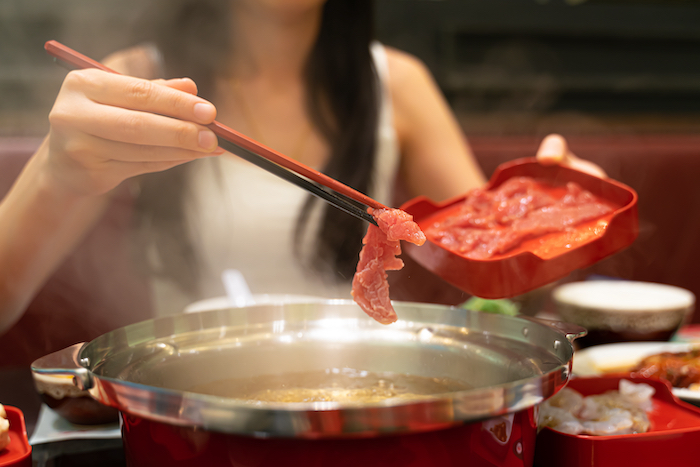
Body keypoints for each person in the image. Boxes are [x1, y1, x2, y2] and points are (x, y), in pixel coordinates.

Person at [0, 0, 603, 356]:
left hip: (358, 403)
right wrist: (57, 172)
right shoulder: (137, 83)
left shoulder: (398, 85)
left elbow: (493, 273)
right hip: (191, 408)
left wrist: (556, 219)